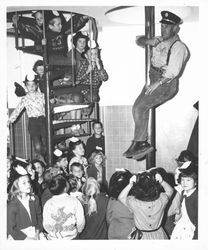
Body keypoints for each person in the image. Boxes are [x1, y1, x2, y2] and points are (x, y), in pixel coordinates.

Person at [123, 10, 190, 159]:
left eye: (167, 27)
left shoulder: (179, 47)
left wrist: (157, 84)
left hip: (165, 83)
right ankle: (139, 143)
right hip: (153, 78)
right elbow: (138, 40)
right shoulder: (159, 40)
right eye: (162, 26)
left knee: (139, 108)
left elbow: (173, 71)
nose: (163, 29)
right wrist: (148, 41)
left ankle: (141, 143)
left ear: (175, 28)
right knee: (137, 108)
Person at [118, 170, 173, 239]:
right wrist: (161, 181)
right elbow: (170, 191)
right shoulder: (162, 199)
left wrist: (130, 184)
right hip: (158, 235)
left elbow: (121, 197)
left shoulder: (134, 203)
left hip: (141, 237)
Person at [8, 74, 46, 160]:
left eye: (33, 85)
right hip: (33, 122)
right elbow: (18, 110)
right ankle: (40, 158)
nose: (31, 87)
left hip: (43, 120)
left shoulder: (42, 96)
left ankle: (45, 156)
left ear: (36, 86)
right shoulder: (25, 99)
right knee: (37, 144)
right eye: (29, 85)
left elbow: (48, 105)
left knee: (45, 142)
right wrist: (10, 120)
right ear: (26, 86)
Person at [7, 162, 42, 240]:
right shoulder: (12, 205)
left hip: (35, 232)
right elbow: (10, 228)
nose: (28, 185)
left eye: (28, 182)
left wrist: (37, 232)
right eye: (24, 183)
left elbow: (39, 217)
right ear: (16, 186)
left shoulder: (34, 199)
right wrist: (26, 238)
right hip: (20, 235)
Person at [43, 175, 85, 239]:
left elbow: (46, 223)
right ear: (65, 188)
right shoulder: (74, 201)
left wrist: (52, 233)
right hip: (71, 237)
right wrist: (79, 230)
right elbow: (81, 221)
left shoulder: (48, 203)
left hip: (54, 238)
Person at [171, 161, 198, 239]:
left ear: (195, 182)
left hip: (192, 226)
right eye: (183, 180)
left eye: (188, 180)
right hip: (182, 223)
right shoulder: (183, 192)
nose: (184, 183)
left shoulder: (196, 197)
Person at [106, 169, 134, 239]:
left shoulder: (112, 200)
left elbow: (108, 218)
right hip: (130, 232)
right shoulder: (133, 201)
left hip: (115, 231)